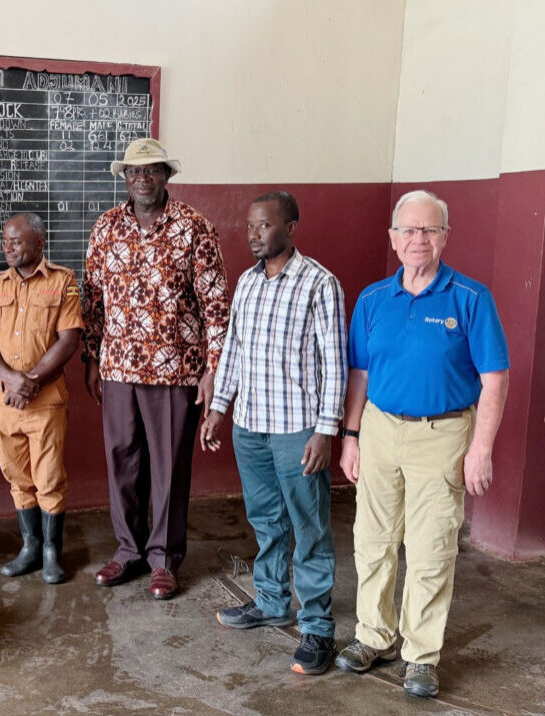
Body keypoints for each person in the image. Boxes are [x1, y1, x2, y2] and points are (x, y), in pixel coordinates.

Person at [334, 190, 509, 698]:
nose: (418, 239)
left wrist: (481, 448)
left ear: (445, 237)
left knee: (431, 547)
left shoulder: (470, 298)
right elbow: (360, 374)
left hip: (443, 434)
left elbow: (495, 378)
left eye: (429, 230)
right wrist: (351, 436)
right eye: (408, 230)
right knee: (373, 540)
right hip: (380, 428)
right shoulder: (372, 300)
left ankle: (421, 655)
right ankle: (375, 637)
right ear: (393, 238)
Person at [200, 191, 347, 675]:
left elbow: (335, 364)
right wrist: (219, 408)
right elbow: (234, 351)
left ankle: (318, 628)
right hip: (251, 428)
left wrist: (325, 431)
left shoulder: (319, 283)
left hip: (297, 429)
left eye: (264, 225)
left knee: (309, 527)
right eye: (249, 226)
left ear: (291, 228)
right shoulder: (246, 282)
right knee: (266, 521)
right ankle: (270, 601)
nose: (254, 234)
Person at [82, 138, 230, 600]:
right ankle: (129, 550)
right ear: (124, 178)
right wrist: (92, 357)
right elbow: (93, 299)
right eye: (134, 171)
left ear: (166, 176)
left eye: (151, 170)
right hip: (118, 367)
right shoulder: (107, 227)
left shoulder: (194, 227)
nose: (142, 179)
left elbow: (216, 306)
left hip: (174, 370)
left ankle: (163, 558)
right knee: (122, 461)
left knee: (168, 466)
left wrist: (214, 369)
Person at [0, 213, 84, 584]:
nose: (7, 248)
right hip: (5, 402)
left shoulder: (63, 281)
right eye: (5, 241)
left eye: (16, 242)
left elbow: (69, 339)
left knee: (49, 477)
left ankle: (52, 551)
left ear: (39, 242)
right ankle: (31, 546)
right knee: (17, 477)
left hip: (45, 401)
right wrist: (10, 380)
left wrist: (30, 382)